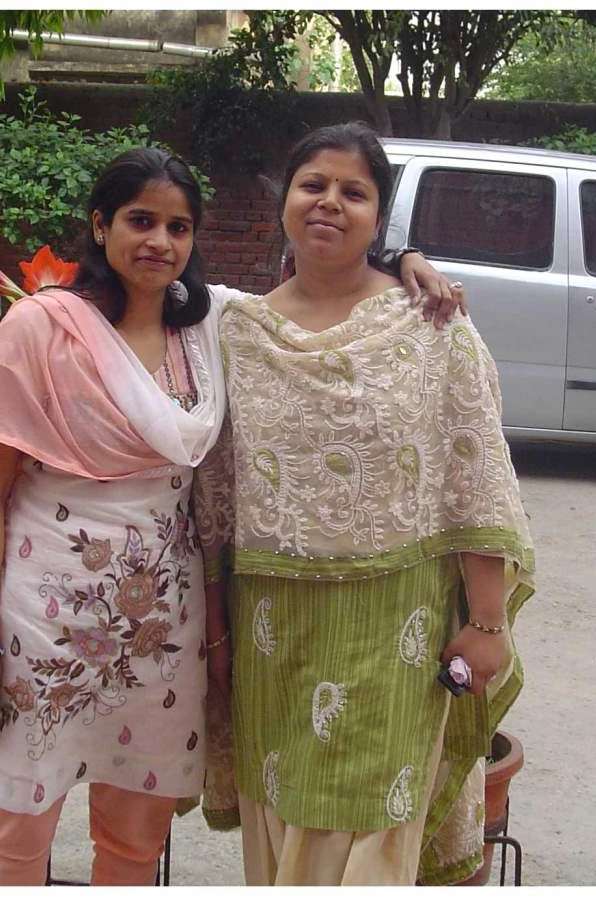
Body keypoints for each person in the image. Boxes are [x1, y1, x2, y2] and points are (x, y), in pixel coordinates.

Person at [0, 145, 463, 885]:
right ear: (99, 226)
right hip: (39, 622)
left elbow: (320, 290)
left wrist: (402, 260)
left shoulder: (213, 327)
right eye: (140, 221)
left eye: (178, 227)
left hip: (163, 630)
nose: (159, 243)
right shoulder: (42, 327)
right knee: (18, 837)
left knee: (135, 841)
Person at [194, 122, 535, 886]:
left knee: (374, 822)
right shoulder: (237, 332)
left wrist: (487, 623)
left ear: (378, 219)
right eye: (312, 184)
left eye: (353, 192)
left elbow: (472, 475)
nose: (329, 202)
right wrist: (214, 636)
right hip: (273, 634)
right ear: (284, 199)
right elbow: (213, 503)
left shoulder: (428, 325)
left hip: (397, 630)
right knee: (282, 818)